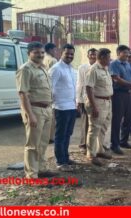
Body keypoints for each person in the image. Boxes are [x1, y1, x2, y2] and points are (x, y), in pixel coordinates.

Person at [16, 41, 55, 178]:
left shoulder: (43, 68)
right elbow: (23, 94)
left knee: (43, 142)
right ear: (29, 53)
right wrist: (30, 115)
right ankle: (31, 174)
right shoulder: (25, 69)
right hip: (35, 110)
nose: (40, 55)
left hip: (47, 109)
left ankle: (42, 169)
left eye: (42, 52)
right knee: (32, 144)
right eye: (36, 52)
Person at [50, 44, 77, 172]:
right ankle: (60, 161)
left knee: (68, 134)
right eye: (67, 54)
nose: (70, 56)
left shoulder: (71, 69)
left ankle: (66, 157)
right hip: (61, 107)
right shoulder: (56, 69)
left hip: (71, 106)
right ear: (61, 53)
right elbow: (50, 88)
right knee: (60, 135)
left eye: (72, 54)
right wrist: (52, 104)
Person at [109, 45, 131, 155]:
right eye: (125, 53)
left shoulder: (128, 64)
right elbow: (117, 79)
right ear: (118, 53)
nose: (127, 55)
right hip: (118, 94)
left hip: (129, 94)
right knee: (117, 120)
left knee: (128, 118)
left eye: (128, 52)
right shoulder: (114, 64)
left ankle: (124, 141)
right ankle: (114, 144)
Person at [85, 48, 114, 166]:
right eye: (108, 57)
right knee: (94, 129)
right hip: (97, 102)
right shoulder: (93, 70)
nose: (110, 60)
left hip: (107, 102)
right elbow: (88, 88)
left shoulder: (105, 69)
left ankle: (99, 150)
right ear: (101, 57)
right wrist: (94, 106)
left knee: (103, 128)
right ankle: (91, 154)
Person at [76, 48, 97, 154]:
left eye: (95, 55)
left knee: (96, 123)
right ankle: (83, 144)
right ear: (88, 56)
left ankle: (95, 146)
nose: (93, 56)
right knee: (85, 122)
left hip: (97, 98)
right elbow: (80, 84)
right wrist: (78, 100)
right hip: (85, 98)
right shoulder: (82, 68)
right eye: (91, 55)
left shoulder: (100, 67)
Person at [43, 43, 58, 144]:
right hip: (50, 89)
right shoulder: (53, 60)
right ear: (50, 50)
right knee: (51, 115)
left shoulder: (42, 59)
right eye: (54, 49)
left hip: (43, 89)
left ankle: (44, 135)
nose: (55, 51)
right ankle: (50, 137)